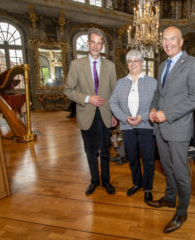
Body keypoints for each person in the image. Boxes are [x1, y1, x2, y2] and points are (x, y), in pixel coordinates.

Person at [148, 26, 195, 233]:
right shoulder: (163, 65)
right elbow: (159, 93)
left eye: (172, 39)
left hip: (178, 128)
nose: (167, 43)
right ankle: (170, 199)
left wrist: (167, 114)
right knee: (167, 168)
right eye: (164, 39)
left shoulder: (193, 64)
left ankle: (182, 211)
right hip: (160, 129)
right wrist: (154, 108)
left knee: (180, 173)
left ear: (181, 42)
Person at [64, 28, 117, 195]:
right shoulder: (76, 65)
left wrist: (115, 114)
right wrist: (88, 98)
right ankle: (94, 180)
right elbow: (68, 90)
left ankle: (106, 181)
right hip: (86, 115)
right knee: (90, 152)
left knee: (105, 151)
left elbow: (114, 93)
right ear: (88, 43)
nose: (96, 46)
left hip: (105, 115)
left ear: (103, 46)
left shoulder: (110, 66)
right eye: (93, 42)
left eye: (99, 43)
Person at [109, 49, 157, 203]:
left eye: (137, 60)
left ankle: (148, 187)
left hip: (146, 126)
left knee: (148, 159)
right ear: (127, 64)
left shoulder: (152, 82)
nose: (133, 64)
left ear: (142, 63)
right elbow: (112, 102)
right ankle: (137, 183)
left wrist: (142, 116)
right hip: (127, 126)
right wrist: (124, 118)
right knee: (133, 158)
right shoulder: (121, 82)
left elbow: (156, 103)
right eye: (130, 61)